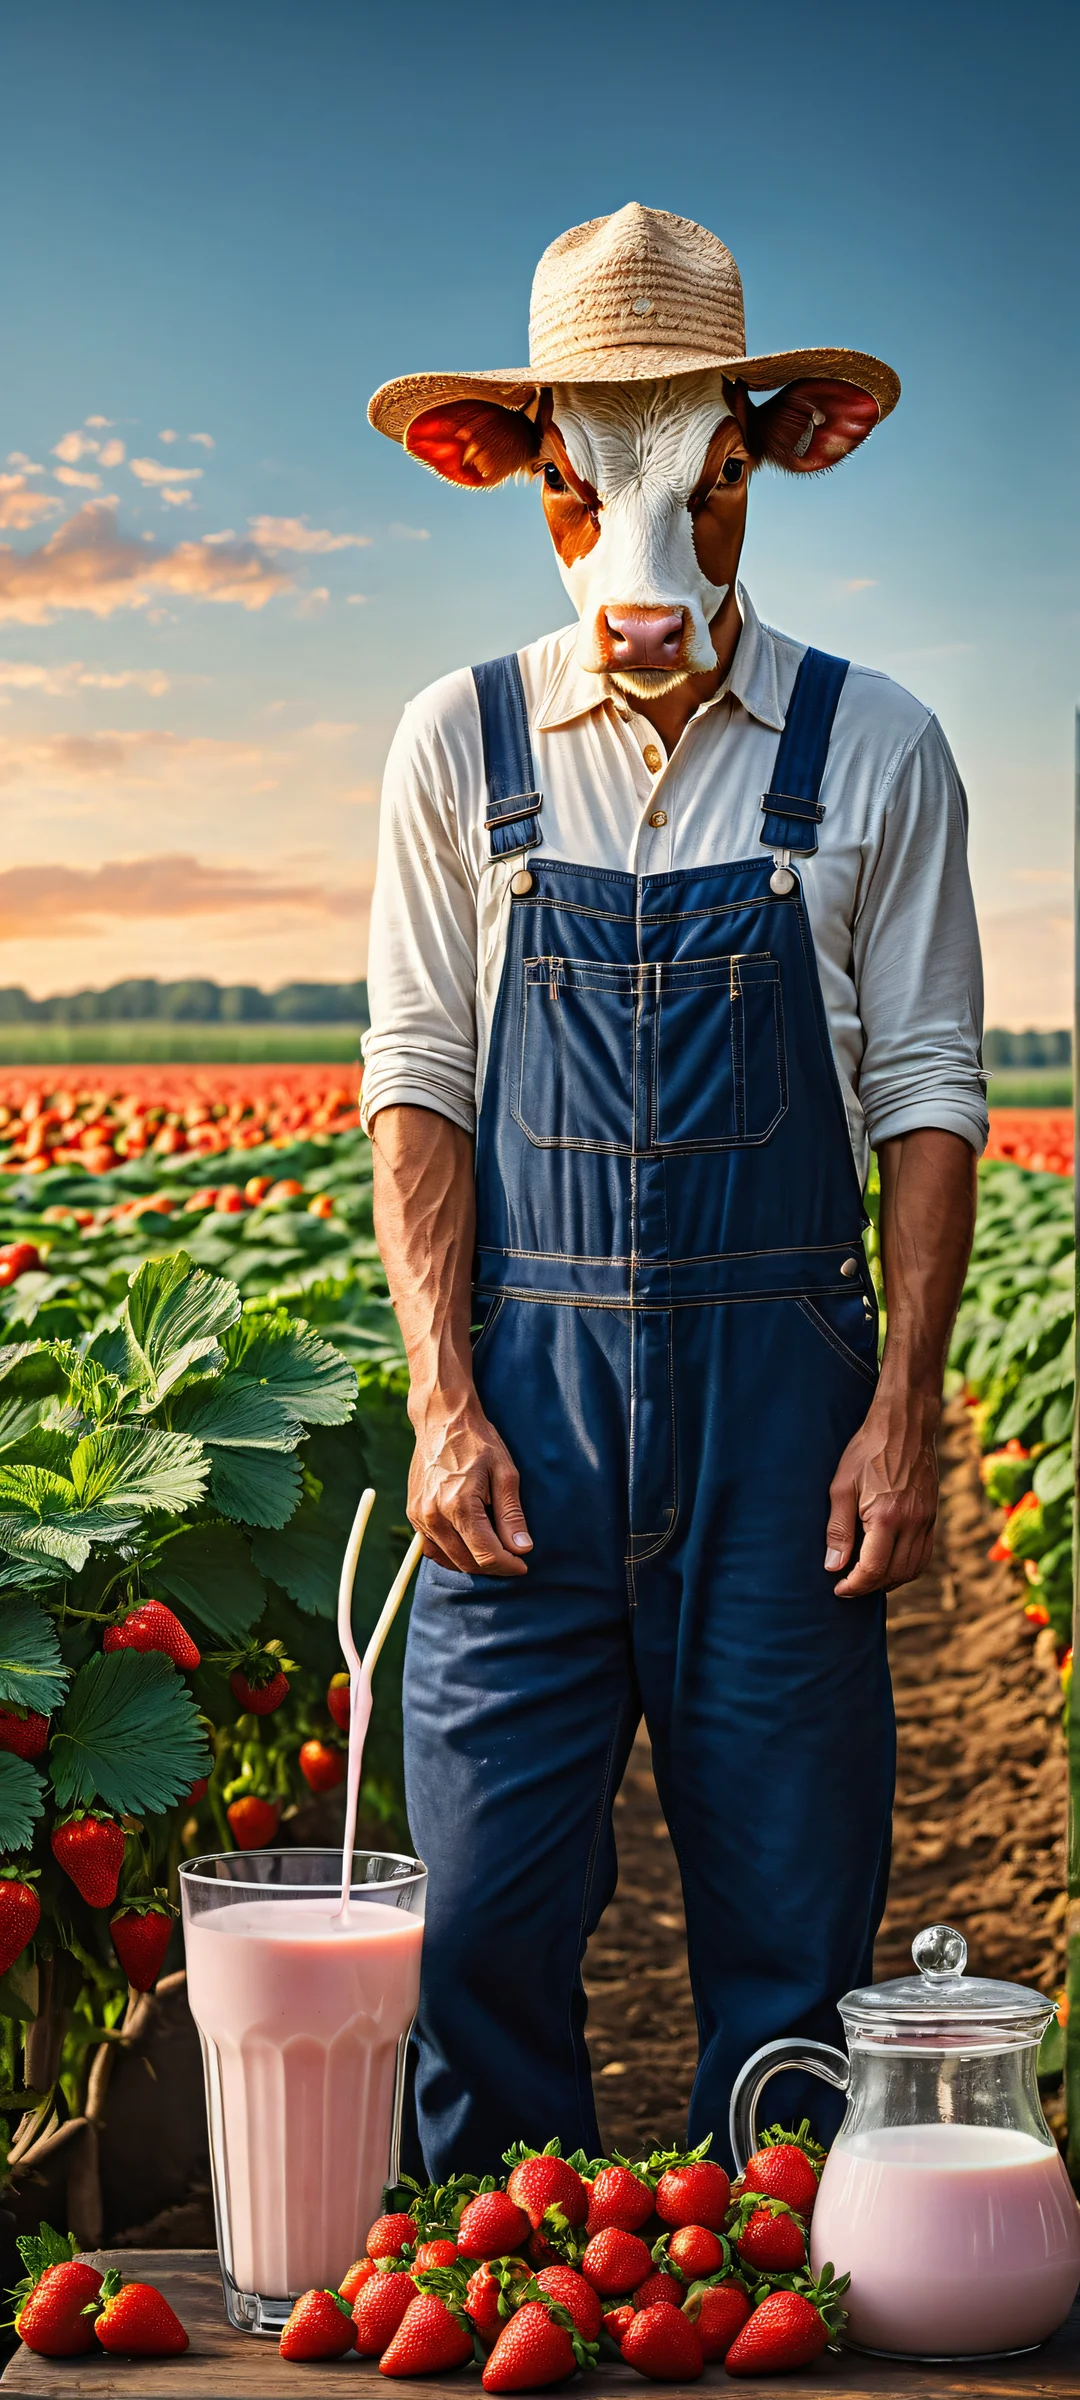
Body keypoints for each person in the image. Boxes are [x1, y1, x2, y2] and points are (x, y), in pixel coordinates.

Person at [362, 205, 986, 2175]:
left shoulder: (877, 746)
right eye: (577, 486)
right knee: (474, 1922)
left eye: (704, 483)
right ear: (516, 474)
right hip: (527, 1415)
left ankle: (768, 2277)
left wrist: (902, 1415)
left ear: (772, 461)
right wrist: (444, 1399)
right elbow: (419, 1077)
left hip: (781, 1423)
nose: (638, 562)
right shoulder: (456, 742)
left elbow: (928, 1091)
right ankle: (499, 2269)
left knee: (792, 1940)